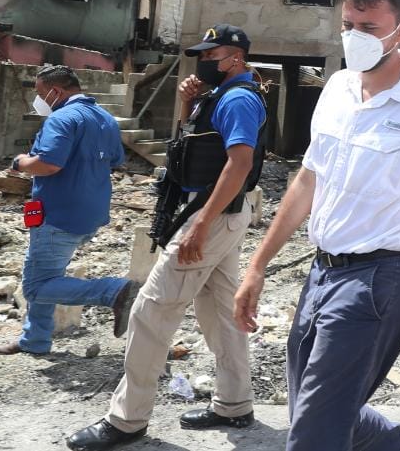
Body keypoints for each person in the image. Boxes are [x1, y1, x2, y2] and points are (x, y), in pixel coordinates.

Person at [232, 0, 400, 451]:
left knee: (314, 434)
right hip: (323, 273)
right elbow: (307, 181)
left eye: (368, 28)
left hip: (378, 279)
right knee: (318, 410)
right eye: (348, 25)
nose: (354, 37)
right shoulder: (338, 88)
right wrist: (257, 266)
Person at [67, 23, 268, 450]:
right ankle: (234, 404)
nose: (203, 63)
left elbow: (240, 164)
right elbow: (189, 151)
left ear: (235, 57)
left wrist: (200, 222)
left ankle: (127, 420)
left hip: (212, 216)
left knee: (150, 311)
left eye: (211, 57)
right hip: (219, 213)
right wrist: (186, 105)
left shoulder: (237, 99)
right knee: (218, 309)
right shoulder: (218, 97)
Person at [0, 64, 137, 356]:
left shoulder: (62, 118)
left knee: (36, 287)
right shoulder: (105, 118)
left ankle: (114, 291)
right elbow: (115, 160)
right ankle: (35, 340)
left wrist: (20, 162)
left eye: (40, 94)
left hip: (58, 214)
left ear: (55, 91)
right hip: (89, 212)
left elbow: (48, 164)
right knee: (46, 274)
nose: (39, 101)